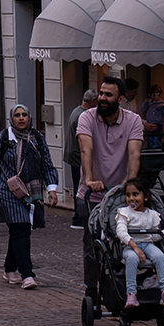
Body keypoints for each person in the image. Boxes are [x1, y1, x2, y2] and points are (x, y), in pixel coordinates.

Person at [77, 76, 144, 301]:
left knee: (125, 239)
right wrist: (89, 179)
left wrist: (131, 185)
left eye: (108, 95)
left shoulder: (133, 120)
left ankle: (125, 284)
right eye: (101, 93)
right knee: (93, 242)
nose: (102, 98)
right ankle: (91, 287)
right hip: (92, 193)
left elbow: (134, 153)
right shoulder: (87, 117)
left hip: (120, 194)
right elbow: (86, 149)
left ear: (121, 99)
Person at [0, 104, 58, 289]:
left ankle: (9, 268)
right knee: (20, 227)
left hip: (31, 190)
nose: (21, 118)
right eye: (17, 115)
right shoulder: (1, 139)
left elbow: (47, 164)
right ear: (11, 119)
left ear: (29, 117)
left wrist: (51, 189)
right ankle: (27, 274)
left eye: (24, 115)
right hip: (6, 190)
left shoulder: (37, 138)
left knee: (20, 230)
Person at [116, 176, 164, 308]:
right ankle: (131, 293)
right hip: (130, 245)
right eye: (128, 195)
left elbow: (157, 232)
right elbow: (121, 232)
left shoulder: (153, 215)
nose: (131, 198)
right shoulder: (124, 213)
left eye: (135, 194)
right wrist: (135, 247)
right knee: (131, 258)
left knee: (160, 256)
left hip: (148, 244)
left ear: (146, 197)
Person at [65, 90, 98, 228]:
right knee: (81, 185)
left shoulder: (76, 111)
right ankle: (78, 217)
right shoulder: (82, 116)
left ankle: (78, 216)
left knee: (78, 183)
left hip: (73, 155)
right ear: (93, 102)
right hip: (78, 156)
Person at [140, 84, 164, 150]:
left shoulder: (161, 104)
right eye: (151, 95)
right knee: (150, 138)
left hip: (158, 123)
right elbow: (143, 110)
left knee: (157, 138)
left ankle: (157, 149)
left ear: (159, 94)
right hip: (149, 123)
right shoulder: (149, 103)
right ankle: (151, 149)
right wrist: (145, 103)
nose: (153, 97)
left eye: (155, 95)